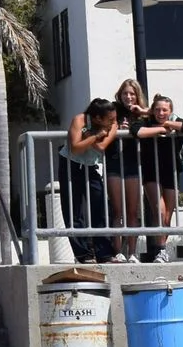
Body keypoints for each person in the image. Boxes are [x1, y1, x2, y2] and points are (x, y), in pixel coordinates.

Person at [137, 95, 183, 263]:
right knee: (159, 211)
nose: (161, 113)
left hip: (171, 171)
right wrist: (161, 129)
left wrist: (169, 124)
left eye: (164, 110)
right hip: (151, 171)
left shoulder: (174, 120)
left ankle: (161, 250)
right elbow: (137, 132)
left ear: (170, 111)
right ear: (152, 110)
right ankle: (160, 250)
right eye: (157, 109)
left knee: (168, 215)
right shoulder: (146, 121)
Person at [60, 98, 117, 264]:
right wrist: (96, 136)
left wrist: (88, 137)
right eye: (110, 119)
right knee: (73, 210)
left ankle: (104, 253)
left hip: (90, 166)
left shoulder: (113, 125)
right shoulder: (80, 120)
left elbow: (101, 147)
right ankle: (83, 255)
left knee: (100, 207)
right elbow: (75, 149)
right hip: (70, 164)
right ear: (97, 118)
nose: (114, 121)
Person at [106, 77, 149, 261]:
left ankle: (132, 252)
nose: (128, 97)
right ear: (120, 94)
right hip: (115, 162)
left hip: (133, 163)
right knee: (117, 211)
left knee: (132, 212)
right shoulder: (113, 110)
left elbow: (160, 116)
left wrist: (140, 114)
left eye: (132, 93)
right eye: (125, 93)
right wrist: (117, 129)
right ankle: (117, 252)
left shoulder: (141, 113)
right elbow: (100, 123)